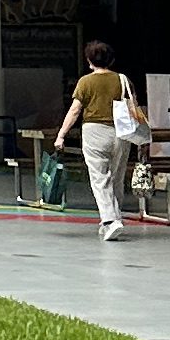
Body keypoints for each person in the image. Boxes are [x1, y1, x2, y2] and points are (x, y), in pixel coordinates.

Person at [55, 46, 136, 242]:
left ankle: (110, 221)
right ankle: (113, 219)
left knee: (100, 178)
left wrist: (61, 134)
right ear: (111, 59)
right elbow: (134, 107)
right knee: (116, 177)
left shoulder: (86, 82)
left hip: (94, 132)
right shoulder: (122, 79)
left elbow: (75, 110)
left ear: (89, 61)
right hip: (122, 133)